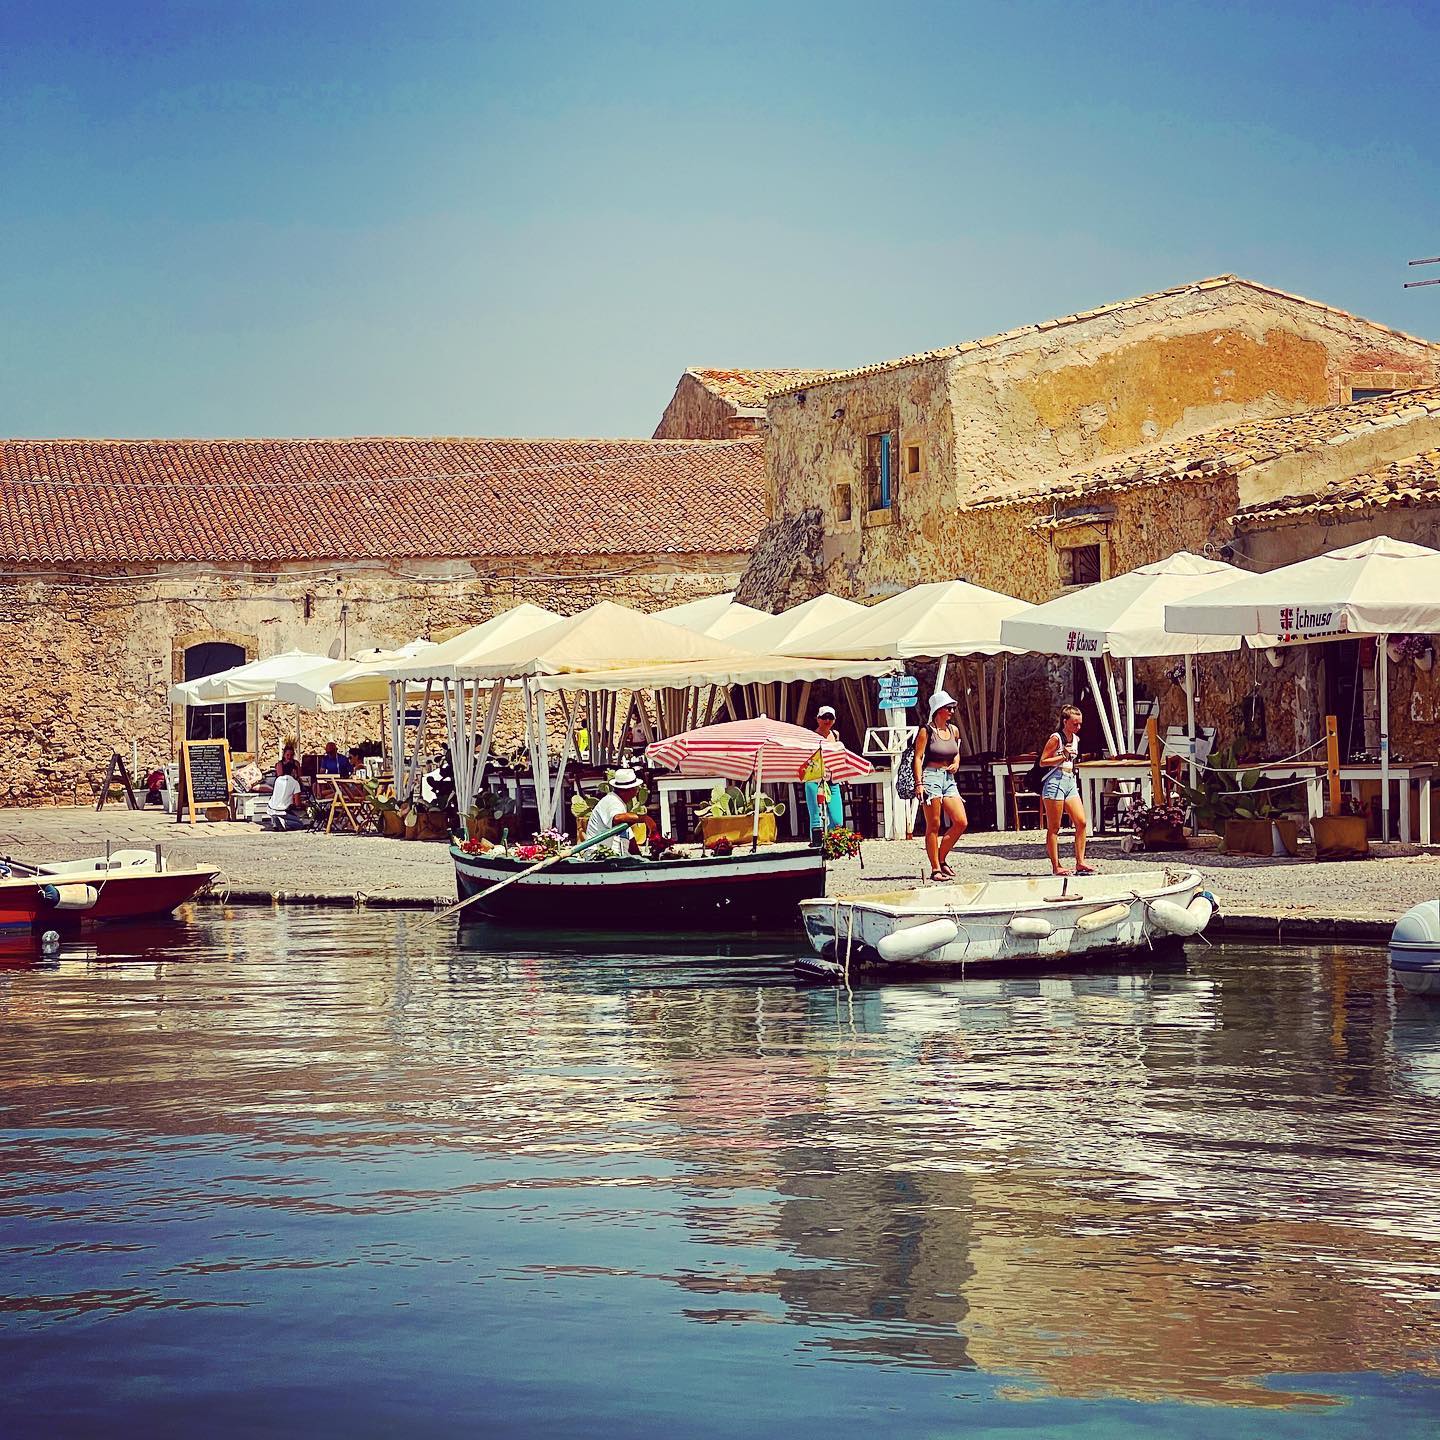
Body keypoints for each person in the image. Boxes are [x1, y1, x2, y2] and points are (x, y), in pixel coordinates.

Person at [913, 691, 967, 882]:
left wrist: (957, 762)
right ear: (938, 710)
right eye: (948, 708)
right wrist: (919, 783)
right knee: (934, 824)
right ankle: (936, 867)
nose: (952, 711)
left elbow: (956, 751)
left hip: (948, 777)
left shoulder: (953, 730)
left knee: (961, 821)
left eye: (953, 707)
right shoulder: (926, 731)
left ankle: (941, 858)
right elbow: (918, 758)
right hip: (931, 776)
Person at [1039, 704, 1093, 876]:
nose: (1078, 727)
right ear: (1065, 722)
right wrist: (1063, 755)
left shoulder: (1076, 739)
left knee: (1081, 822)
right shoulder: (1056, 738)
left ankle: (1080, 862)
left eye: (1080, 724)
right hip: (1055, 781)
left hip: (1069, 780)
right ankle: (1056, 866)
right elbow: (1043, 761)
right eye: (1075, 724)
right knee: (1054, 827)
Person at [584, 767, 650, 856]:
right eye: (636, 788)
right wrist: (643, 819)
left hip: (613, 856)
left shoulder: (619, 804)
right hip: (599, 856)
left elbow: (631, 841)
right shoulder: (612, 801)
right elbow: (617, 818)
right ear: (630, 790)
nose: (637, 791)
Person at [804, 704, 845, 841]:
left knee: (837, 818)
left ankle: (831, 841)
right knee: (815, 816)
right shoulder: (810, 736)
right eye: (824, 717)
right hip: (814, 779)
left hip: (832, 780)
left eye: (830, 717)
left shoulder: (836, 735)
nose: (827, 720)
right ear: (817, 719)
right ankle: (816, 843)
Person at [265, 760, 309, 831]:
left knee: (291, 815)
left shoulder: (278, 780)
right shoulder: (295, 783)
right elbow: (297, 804)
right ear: (293, 771)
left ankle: (276, 821)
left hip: (271, 808)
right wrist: (304, 804)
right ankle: (284, 823)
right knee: (300, 824)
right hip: (282, 811)